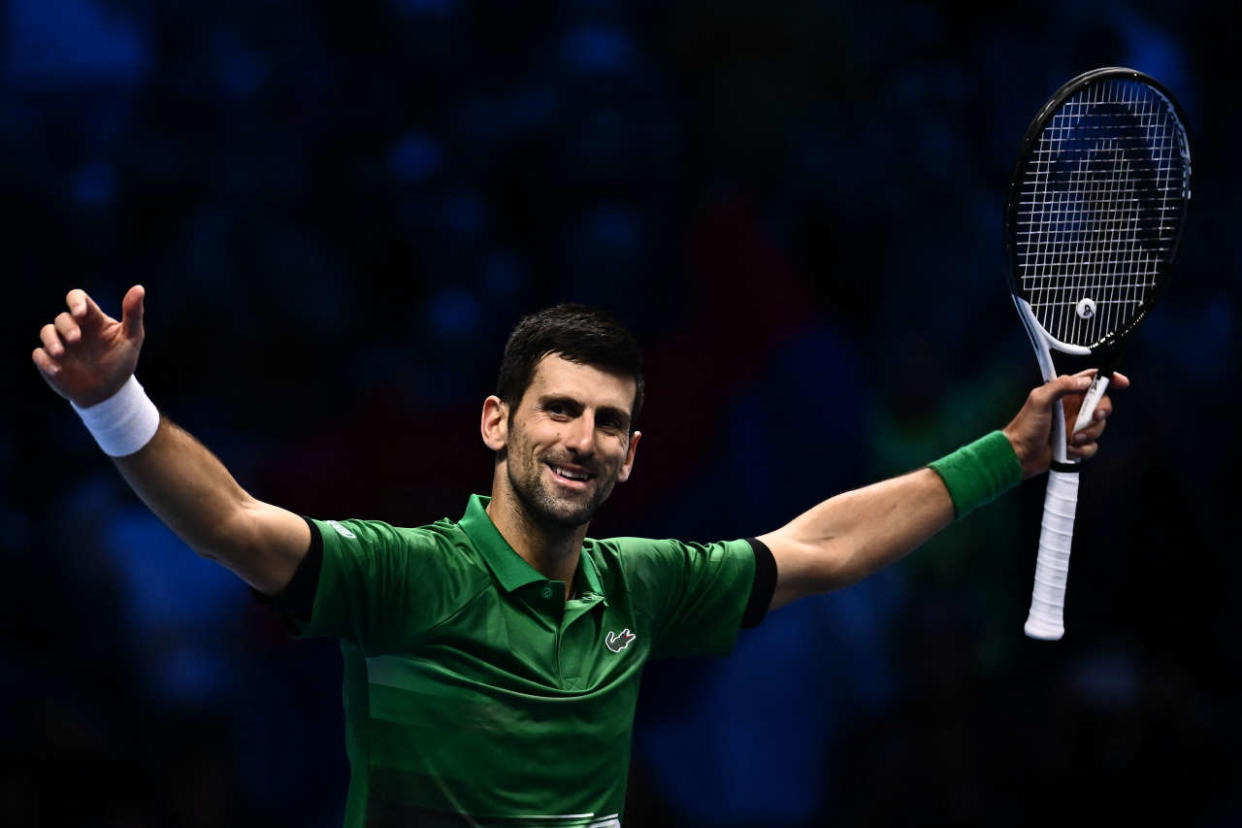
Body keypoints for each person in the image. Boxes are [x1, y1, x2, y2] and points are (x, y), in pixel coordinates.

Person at [33, 285, 1125, 827]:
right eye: (559, 410)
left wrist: (1010, 455)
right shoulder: (405, 574)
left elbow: (820, 550)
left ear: (631, 454)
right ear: (498, 423)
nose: (582, 440)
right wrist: (113, 400)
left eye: (608, 423)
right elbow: (230, 521)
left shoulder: (641, 587)